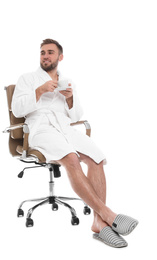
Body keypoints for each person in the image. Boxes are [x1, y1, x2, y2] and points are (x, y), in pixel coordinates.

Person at [12, 39, 138, 248]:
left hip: (65, 128)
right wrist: (40, 91)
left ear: (60, 57)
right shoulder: (27, 79)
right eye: (42, 52)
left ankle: (98, 223)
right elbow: (17, 110)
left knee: (97, 158)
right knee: (71, 158)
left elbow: (77, 114)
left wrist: (70, 100)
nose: (45, 56)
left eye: (50, 52)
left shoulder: (67, 81)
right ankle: (108, 214)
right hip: (40, 129)